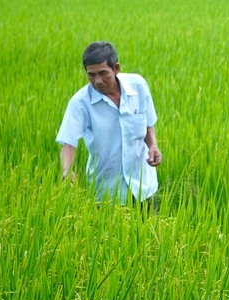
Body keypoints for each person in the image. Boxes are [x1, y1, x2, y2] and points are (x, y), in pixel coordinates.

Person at [56, 41, 162, 206]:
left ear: (116, 68)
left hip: (143, 186)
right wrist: (67, 171)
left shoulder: (138, 86)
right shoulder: (81, 102)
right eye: (91, 74)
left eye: (103, 73)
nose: (97, 81)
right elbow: (68, 144)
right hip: (107, 192)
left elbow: (148, 124)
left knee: (150, 230)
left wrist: (153, 145)